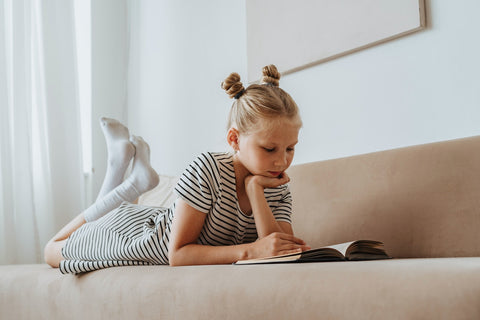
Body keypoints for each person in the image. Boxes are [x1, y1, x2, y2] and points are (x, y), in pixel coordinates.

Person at [44, 64, 310, 274]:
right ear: (234, 139)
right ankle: (126, 182)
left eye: (290, 149)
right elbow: (178, 254)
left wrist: (255, 191)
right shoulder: (208, 169)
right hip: (135, 236)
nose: (282, 161)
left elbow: (279, 250)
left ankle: (130, 179)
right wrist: (250, 251)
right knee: (51, 250)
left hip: (155, 222)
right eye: (269, 149)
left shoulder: (273, 185)